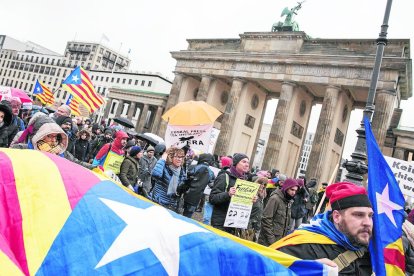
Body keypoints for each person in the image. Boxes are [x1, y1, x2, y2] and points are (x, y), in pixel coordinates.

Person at [274, 182, 374, 275]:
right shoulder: (301, 246)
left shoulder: (370, 249)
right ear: (337, 217)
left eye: (370, 216)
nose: (367, 223)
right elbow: (267, 269)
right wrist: (305, 271)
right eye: (359, 215)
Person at [11, 113, 93, 169]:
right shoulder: (22, 149)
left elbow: (77, 163)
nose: (53, 140)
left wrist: (93, 167)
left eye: (55, 136)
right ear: (40, 136)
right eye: (49, 136)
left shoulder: (61, 152)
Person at [210, 153, 252, 233]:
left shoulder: (245, 181)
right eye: (244, 162)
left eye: (248, 163)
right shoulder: (224, 176)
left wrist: (251, 200)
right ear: (236, 163)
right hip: (220, 223)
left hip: (235, 224)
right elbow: (212, 198)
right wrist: (228, 194)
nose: (247, 164)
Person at [258, 178, 300, 246]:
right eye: (292, 189)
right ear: (286, 188)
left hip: (279, 241)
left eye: (295, 190)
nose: (293, 193)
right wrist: (272, 240)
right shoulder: (275, 199)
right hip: (268, 242)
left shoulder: (288, 200)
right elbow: (266, 220)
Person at [179, 153, 215, 218]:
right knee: (187, 217)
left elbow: (185, 178)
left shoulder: (194, 167)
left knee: (177, 213)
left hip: (185, 194)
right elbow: (212, 185)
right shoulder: (211, 172)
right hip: (196, 198)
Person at [151, 147, 187, 212]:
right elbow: (156, 174)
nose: (179, 159)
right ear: (171, 157)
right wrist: (163, 158)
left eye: (181, 157)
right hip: (158, 203)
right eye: (177, 157)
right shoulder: (165, 167)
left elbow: (180, 190)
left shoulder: (182, 172)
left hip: (171, 206)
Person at [202, 156, 232, 225]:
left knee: (207, 217)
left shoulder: (223, 173)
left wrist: (211, 183)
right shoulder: (223, 172)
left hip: (216, 197)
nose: (220, 163)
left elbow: (216, 185)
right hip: (218, 197)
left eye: (221, 162)